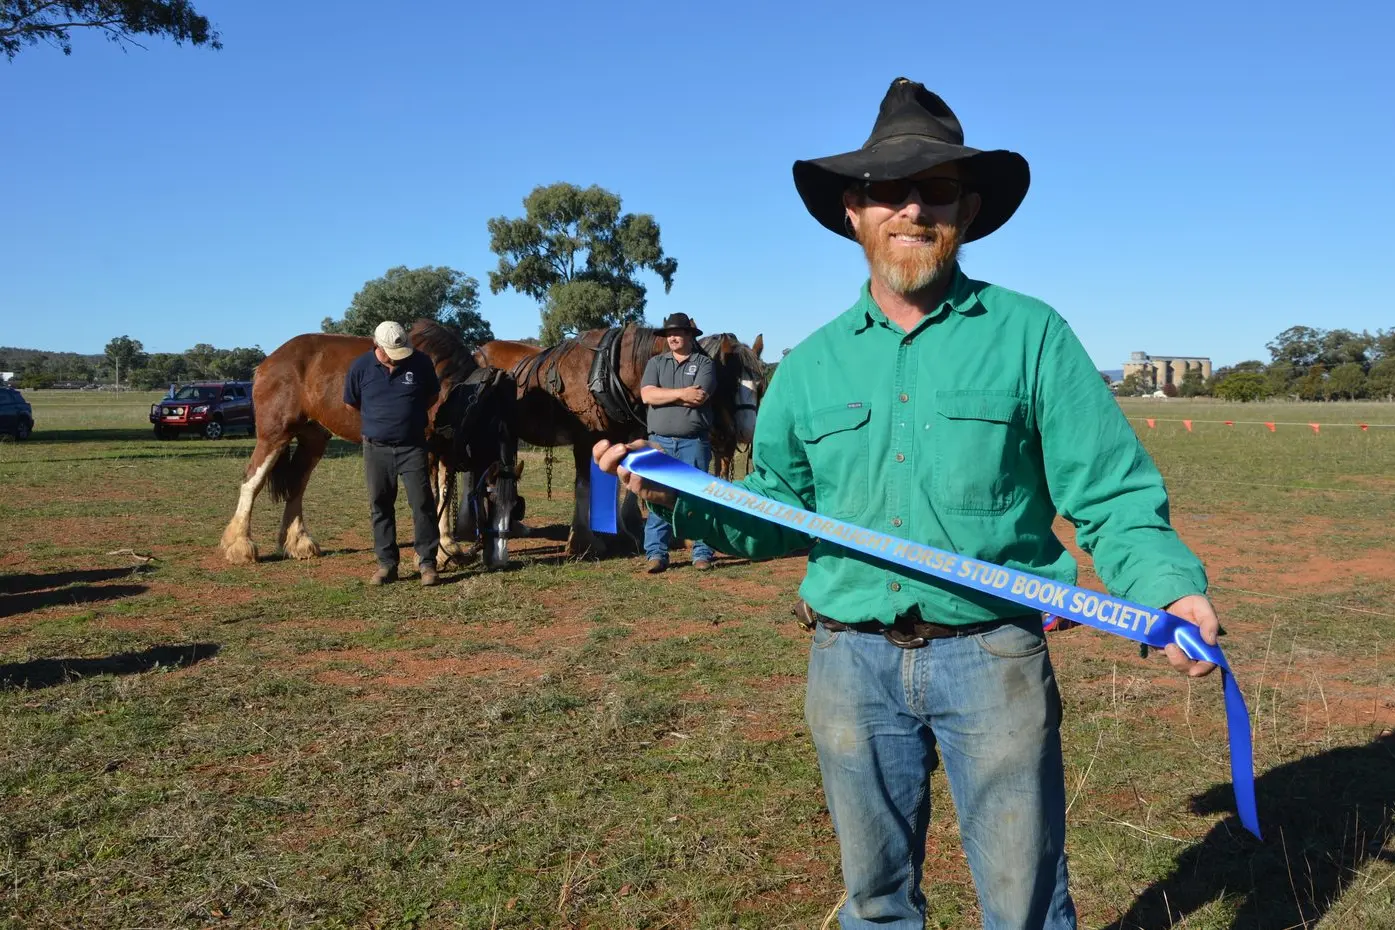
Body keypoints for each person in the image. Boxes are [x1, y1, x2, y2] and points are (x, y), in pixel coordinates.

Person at [594, 78, 1223, 929]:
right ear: (854, 210)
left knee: (1024, 902)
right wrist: (673, 493)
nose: (912, 210)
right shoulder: (811, 365)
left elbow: (1110, 491)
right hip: (847, 665)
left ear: (965, 210)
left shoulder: (1030, 334)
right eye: (890, 191)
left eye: (936, 191)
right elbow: (774, 511)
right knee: (875, 901)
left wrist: (1165, 589)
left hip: (995, 654)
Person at [343, 320, 442, 587]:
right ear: (377, 346)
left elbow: (432, 396)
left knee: (422, 504)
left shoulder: (420, 363)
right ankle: (387, 564)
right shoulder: (360, 367)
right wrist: (377, 421)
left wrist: (410, 417)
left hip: (412, 446)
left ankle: (427, 562)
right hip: (376, 449)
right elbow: (352, 403)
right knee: (380, 505)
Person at [637, 312, 718, 573]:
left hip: (693, 443)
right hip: (658, 443)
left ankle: (702, 552)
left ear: (688, 336)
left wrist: (666, 395)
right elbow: (648, 395)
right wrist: (683, 393)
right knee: (657, 497)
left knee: (697, 497)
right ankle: (656, 553)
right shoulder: (655, 363)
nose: (672, 337)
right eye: (669, 334)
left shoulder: (704, 364)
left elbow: (700, 398)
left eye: (678, 333)